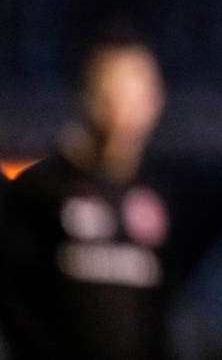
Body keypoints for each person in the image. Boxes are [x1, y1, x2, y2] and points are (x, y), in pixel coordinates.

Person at [0, 26, 172, 359]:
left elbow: (160, 317)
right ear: (89, 94)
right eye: (113, 90)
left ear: (155, 102)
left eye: (136, 92)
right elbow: (13, 303)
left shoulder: (156, 199)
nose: (124, 108)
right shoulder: (40, 190)